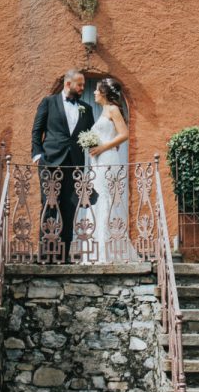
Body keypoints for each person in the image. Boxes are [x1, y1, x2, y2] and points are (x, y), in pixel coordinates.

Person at [31, 68, 95, 262]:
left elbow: (90, 136)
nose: (83, 88)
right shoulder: (49, 102)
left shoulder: (86, 108)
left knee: (70, 207)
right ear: (68, 84)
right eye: (80, 84)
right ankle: (45, 254)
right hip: (50, 163)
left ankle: (64, 255)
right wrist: (37, 156)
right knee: (49, 205)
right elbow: (37, 130)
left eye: (83, 85)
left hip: (74, 165)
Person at [88, 77, 133, 263]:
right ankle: (97, 248)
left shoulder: (113, 110)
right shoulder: (103, 111)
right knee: (99, 199)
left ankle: (106, 253)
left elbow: (124, 134)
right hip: (99, 160)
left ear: (105, 92)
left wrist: (102, 148)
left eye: (97, 90)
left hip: (107, 159)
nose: (94, 93)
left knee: (106, 198)